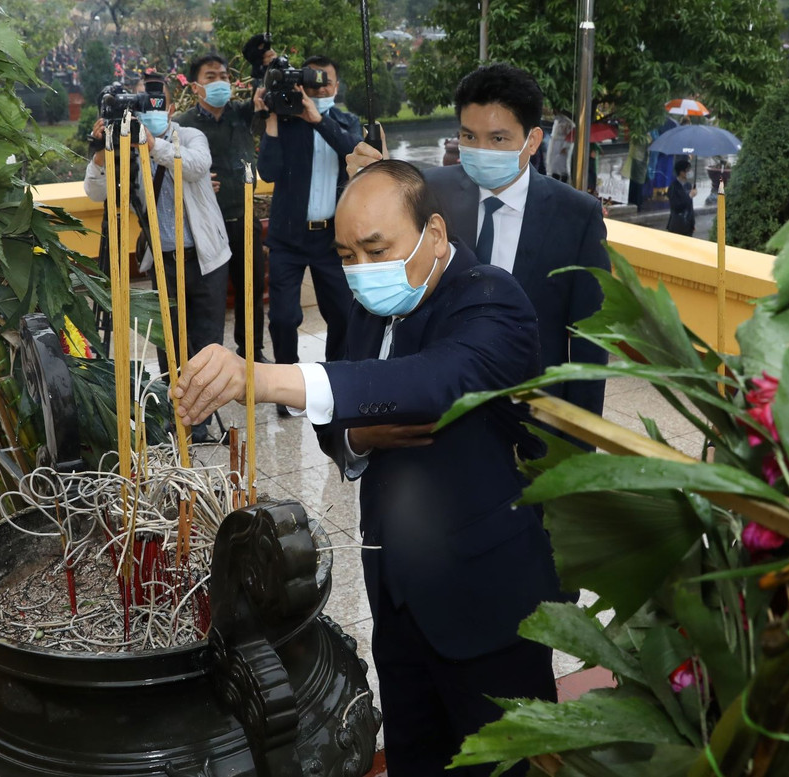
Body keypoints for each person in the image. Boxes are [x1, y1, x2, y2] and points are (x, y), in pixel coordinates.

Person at [173, 160, 566, 777]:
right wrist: (357, 434)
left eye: (376, 249)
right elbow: (344, 406)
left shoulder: (493, 300)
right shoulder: (366, 308)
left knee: (508, 765)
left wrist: (259, 378)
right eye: (346, 255)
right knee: (416, 756)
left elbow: (432, 381)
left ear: (434, 232)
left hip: (485, 603)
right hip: (396, 591)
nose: (360, 271)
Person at [347, 62, 610, 423]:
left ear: (532, 140)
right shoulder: (427, 193)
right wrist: (375, 188)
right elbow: (380, 283)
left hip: (530, 421)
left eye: (498, 139)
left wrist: (577, 450)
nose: (480, 149)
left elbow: (588, 346)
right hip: (434, 414)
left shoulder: (577, 216)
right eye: (469, 137)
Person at [84, 71, 230, 442]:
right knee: (170, 344)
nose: (150, 109)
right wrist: (102, 147)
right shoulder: (125, 148)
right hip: (162, 261)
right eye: (141, 104)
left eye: (157, 103)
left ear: (172, 105)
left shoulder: (188, 136)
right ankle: (177, 416)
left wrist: (153, 144)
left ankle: (201, 422)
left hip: (206, 257)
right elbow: (96, 192)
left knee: (207, 342)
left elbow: (196, 166)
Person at [254, 55, 362, 415]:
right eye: (312, 85)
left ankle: (332, 383)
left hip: (333, 239)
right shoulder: (285, 122)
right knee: (284, 318)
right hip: (288, 238)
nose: (319, 90)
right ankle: (288, 388)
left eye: (325, 84)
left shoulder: (347, 123)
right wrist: (272, 113)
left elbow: (355, 155)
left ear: (337, 86)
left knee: (342, 316)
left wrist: (318, 120)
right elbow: (267, 171)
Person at [176, 52, 273, 364]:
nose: (219, 82)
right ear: (195, 87)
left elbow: (265, 94)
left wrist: (265, 65)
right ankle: (207, 359)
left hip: (244, 219)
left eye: (224, 76)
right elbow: (171, 173)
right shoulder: (182, 126)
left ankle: (252, 353)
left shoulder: (243, 114)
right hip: (206, 229)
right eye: (210, 77)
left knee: (252, 291)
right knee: (209, 299)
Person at [667, 158, 696, 236]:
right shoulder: (673, 187)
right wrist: (690, 196)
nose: (690, 172)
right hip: (677, 226)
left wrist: (692, 223)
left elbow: (690, 207)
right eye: (688, 170)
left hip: (688, 226)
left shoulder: (688, 185)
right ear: (681, 172)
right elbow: (676, 206)